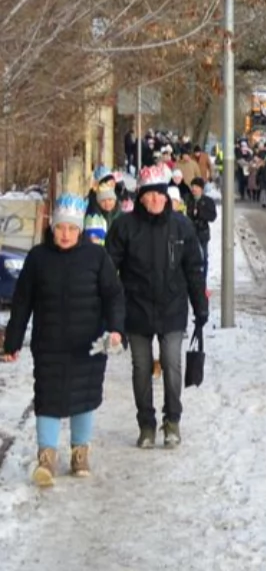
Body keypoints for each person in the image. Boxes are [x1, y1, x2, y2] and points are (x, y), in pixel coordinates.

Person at [3, 194, 125, 486]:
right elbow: (22, 303)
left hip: (89, 343)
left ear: (80, 230)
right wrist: (13, 342)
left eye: (71, 229)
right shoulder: (37, 258)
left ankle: (79, 453)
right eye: (61, 228)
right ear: (52, 228)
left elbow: (114, 296)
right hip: (49, 344)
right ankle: (46, 458)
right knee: (48, 400)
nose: (66, 234)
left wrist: (116, 328)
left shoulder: (96, 257)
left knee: (84, 398)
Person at [107, 164, 208, 449]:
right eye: (149, 195)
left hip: (172, 307)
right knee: (141, 367)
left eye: (160, 195)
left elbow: (194, 269)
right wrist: (109, 310)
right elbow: (108, 270)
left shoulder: (182, 226)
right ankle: (146, 424)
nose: (155, 200)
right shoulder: (124, 227)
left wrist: (200, 307)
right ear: (140, 196)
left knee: (171, 362)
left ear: (167, 196)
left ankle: (172, 420)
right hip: (136, 309)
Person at [187, 178, 218, 280]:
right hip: (190, 233)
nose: (193, 189)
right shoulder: (188, 199)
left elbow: (212, 216)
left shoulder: (208, 201)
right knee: (190, 258)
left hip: (202, 233)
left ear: (201, 189)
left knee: (203, 258)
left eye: (196, 187)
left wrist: (200, 213)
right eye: (192, 186)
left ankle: (202, 281)